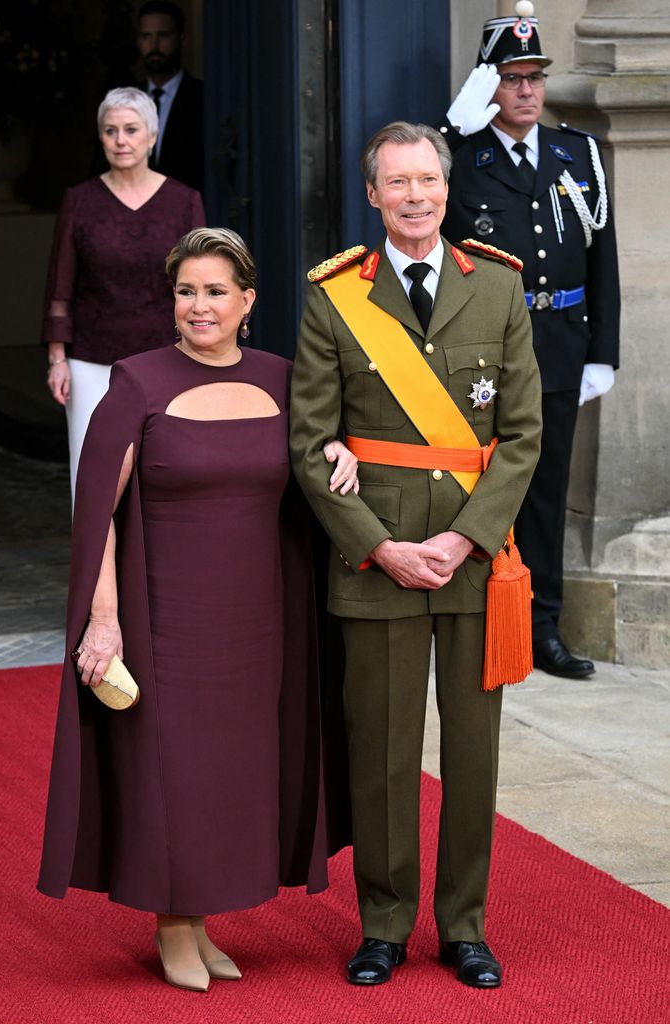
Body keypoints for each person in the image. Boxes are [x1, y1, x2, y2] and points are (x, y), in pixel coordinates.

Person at [38, 227, 358, 991]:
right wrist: (104, 620)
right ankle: (174, 924)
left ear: (248, 301)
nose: (199, 306)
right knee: (172, 768)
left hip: (260, 619)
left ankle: (204, 918)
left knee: (234, 771)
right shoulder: (138, 382)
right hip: (164, 620)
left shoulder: (285, 378)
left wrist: (346, 449)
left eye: (216, 291)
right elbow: (99, 515)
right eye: (186, 292)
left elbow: (319, 459)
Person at [290, 121, 542, 989]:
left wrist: (461, 537)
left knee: (473, 754)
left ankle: (465, 925)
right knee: (386, 755)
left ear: (446, 186)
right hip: (380, 562)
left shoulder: (499, 289)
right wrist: (382, 548)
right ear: (372, 195)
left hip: (473, 558)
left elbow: (522, 436)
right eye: (396, 183)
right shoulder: (333, 298)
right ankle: (386, 925)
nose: (414, 196)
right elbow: (310, 444)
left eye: (426, 180)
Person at [440, 1, 620, 679]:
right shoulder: (461, 157)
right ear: (490, 84)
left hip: (560, 344)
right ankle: (473, 618)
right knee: (478, 487)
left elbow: (603, 260)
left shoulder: (581, 154)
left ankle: (542, 627)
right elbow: (408, 194)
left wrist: (604, 349)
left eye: (534, 77)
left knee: (545, 490)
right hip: (486, 351)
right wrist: (451, 127)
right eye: (511, 77)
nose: (525, 90)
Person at [44, 86, 206, 496]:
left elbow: (200, 283)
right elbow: (60, 284)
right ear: (100, 137)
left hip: (167, 356)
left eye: (131, 130)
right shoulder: (79, 200)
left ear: (152, 136)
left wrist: (205, 353)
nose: (121, 140)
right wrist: (57, 359)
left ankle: (152, 562)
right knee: (93, 478)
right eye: (111, 130)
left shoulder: (185, 202)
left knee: (163, 474)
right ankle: (95, 562)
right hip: (91, 360)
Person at [136, 1, 204, 191]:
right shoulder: (124, 101)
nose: (154, 45)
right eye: (146, 36)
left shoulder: (203, 99)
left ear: (182, 39)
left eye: (163, 36)